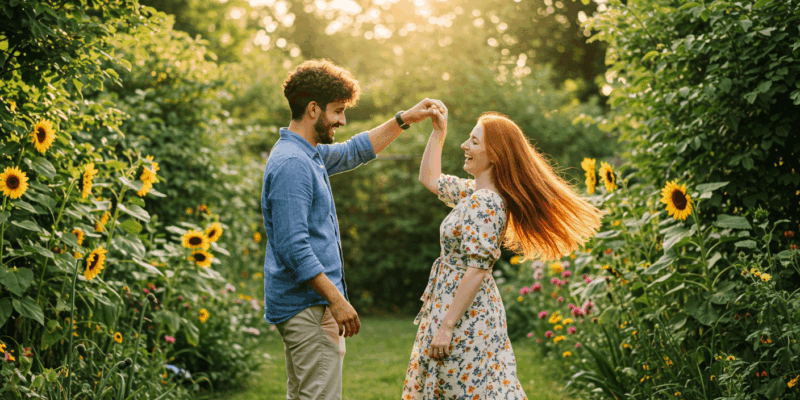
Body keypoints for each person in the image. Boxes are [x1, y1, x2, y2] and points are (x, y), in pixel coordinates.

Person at [261, 59, 440, 400]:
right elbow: (293, 247)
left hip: (309, 306)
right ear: (313, 109)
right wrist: (337, 300)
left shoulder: (306, 153)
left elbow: (355, 151)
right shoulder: (293, 164)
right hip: (309, 306)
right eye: (338, 110)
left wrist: (405, 119)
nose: (342, 120)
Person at [402, 109, 603, 399]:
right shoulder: (474, 193)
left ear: (494, 154)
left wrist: (447, 326)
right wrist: (438, 132)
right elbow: (430, 178)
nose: (465, 146)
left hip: (464, 315)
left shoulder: (486, 203)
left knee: (462, 388)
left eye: (473, 142)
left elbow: (478, 269)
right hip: (454, 304)